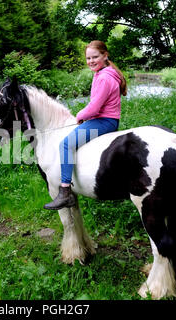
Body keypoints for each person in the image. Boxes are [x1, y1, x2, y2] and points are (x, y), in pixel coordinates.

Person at [44, 40, 127, 210]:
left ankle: (65, 191)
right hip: (104, 119)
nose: (91, 61)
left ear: (105, 55)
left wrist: (80, 116)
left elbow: (95, 107)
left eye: (95, 57)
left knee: (66, 144)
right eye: (88, 58)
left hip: (104, 122)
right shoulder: (104, 73)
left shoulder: (104, 77)